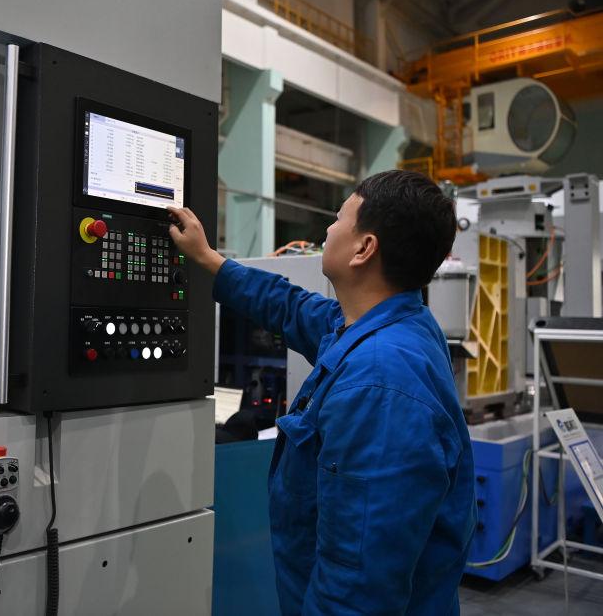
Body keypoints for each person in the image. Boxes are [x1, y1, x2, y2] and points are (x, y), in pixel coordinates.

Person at [168, 170, 476, 615]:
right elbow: (291, 306)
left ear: (364, 248)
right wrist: (208, 259)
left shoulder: (380, 384)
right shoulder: (389, 323)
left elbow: (357, 586)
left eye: (338, 218)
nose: (327, 230)